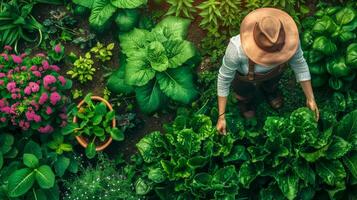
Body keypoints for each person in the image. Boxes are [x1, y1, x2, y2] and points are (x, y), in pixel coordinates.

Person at [216, 8, 319, 135]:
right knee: (243, 91)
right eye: (269, 50)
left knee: (272, 84)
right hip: (244, 77)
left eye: (278, 49)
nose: (274, 56)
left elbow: (299, 64)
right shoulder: (237, 50)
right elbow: (224, 79)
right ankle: (246, 102)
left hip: (275, 73)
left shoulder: (292, 40)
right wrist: (221, 115)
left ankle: (270, 91)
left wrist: (310, 98)